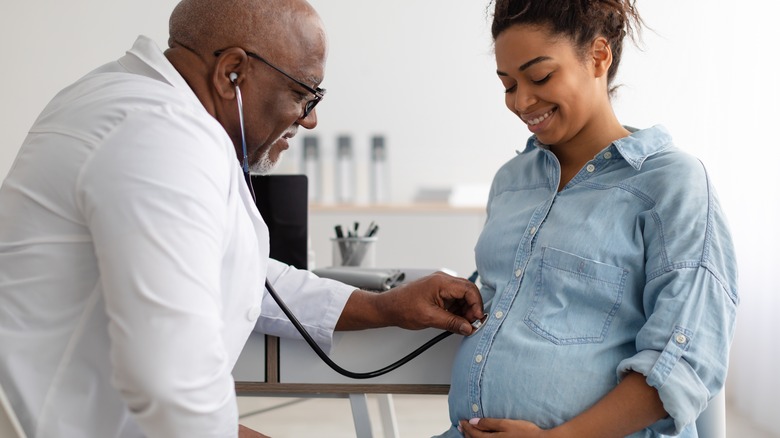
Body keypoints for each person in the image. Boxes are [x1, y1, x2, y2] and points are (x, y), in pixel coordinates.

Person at [0, 0, 485, 436]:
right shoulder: (162, 138)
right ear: (232, 71)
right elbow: (175, 386)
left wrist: (385, 307)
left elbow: (239, 272)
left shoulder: (132, 102)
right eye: (304, 94)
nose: (310, 119)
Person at [439, 1, 738, 437]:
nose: (522, 101)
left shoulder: (673, 184)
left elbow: (685, 357)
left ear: (599, 56)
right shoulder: (511, 182)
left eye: (540, 76)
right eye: (507, 85)